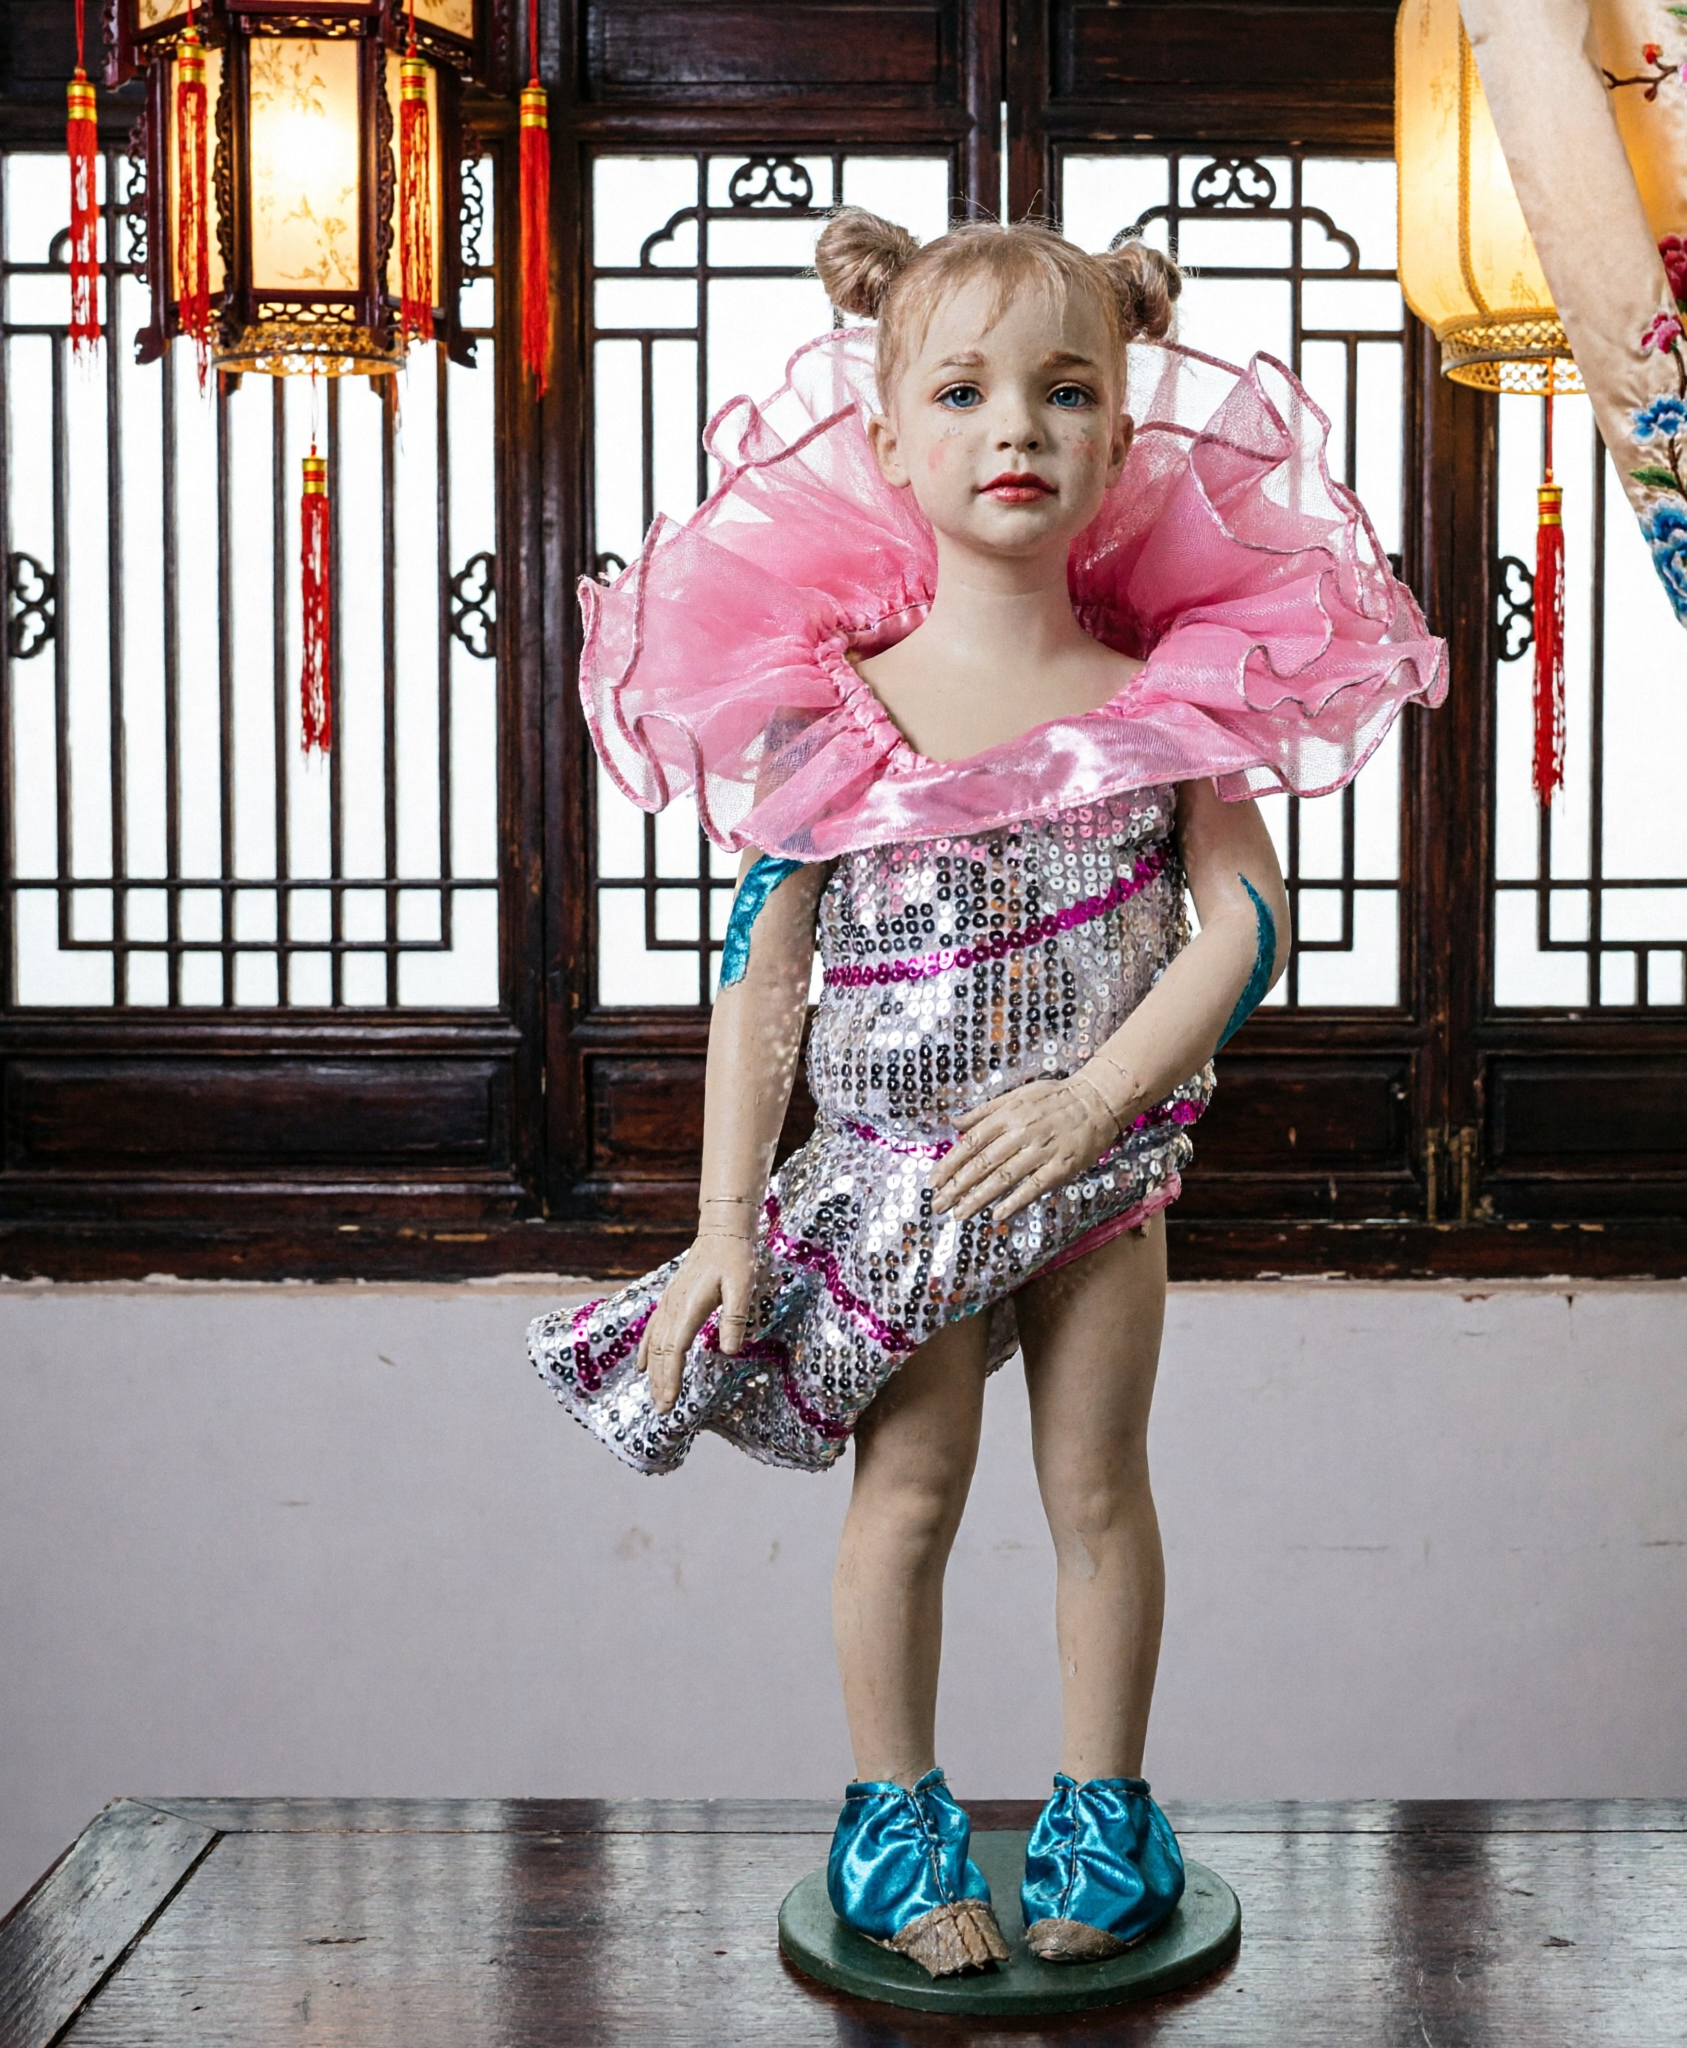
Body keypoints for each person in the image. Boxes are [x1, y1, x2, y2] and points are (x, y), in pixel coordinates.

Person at [531, 208, 1444, 1977]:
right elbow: (760, 973)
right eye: (961, 392)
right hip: (897, 1184)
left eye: (1065, 390)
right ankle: (892, 1817)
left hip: (1098, 1178)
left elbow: (1247, 926)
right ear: (887, 439)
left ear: (1122, 433)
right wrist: (726, 1223)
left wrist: (1095, 1104)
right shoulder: (829, 706)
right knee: (911, 1495)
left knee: (1099, 1491)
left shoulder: (1173, 696)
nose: (1015, 427)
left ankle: (1106, 1810)